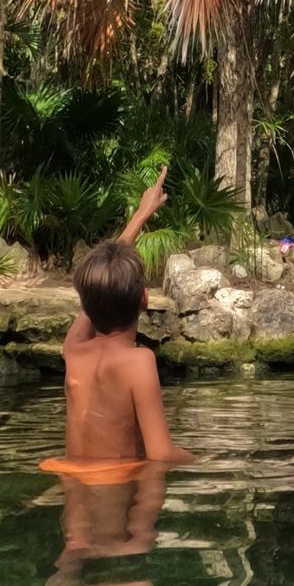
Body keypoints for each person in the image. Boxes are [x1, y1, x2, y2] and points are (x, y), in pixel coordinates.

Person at [54, 167, 193, 466]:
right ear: (144, 300)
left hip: (71, 488)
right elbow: (161, 455)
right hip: (113, 487)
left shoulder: (73, 349)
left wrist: (139, 216)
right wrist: (207, 460)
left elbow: (99, 285)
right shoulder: (139, 362)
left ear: (85, 303)